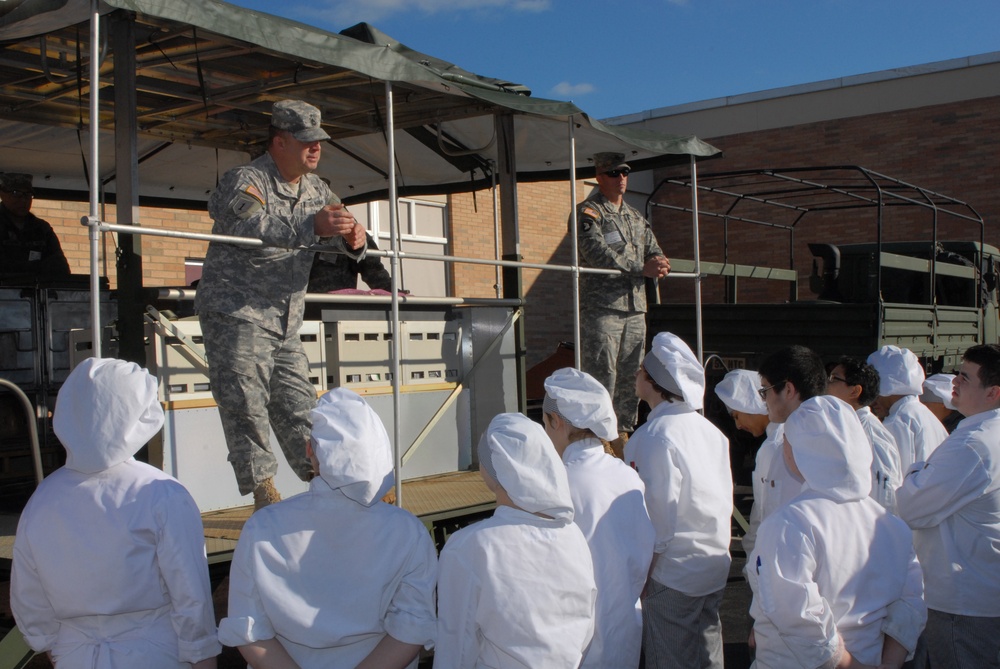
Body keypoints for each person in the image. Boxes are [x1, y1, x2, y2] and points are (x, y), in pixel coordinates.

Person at [195, 99, 366, 509]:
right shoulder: (246, 180)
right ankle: (264, 492)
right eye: (305, 141)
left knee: (300, 405)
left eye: (319, 141)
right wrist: (313, 226)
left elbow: (338, 229)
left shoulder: (318, 189)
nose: (315, 149)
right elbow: (251, 226)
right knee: (245, 402)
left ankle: (327, 483)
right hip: (238, 311)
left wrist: (353, 240)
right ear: (279, 142)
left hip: (285, 318)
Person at [11, 357, 220, 668]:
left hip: (76, 653)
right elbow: (190, 591)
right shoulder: (161, 492)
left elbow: (27, 592)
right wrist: (202, 654)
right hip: (153, 651)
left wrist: (50, 644)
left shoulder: (44, 497)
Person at [219, 388, 437, 668]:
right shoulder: (408, 532)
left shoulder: (262, 527)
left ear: (310, 449)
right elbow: (412, 627)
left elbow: (248, 630)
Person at [748, 395, 925, 669]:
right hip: (874, 657)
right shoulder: (891, 524)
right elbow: (911, 603)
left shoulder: (789, 522)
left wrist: (848, 665)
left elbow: (797, 615)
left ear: (800, 451)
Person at [434, 413, 597, 668]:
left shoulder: (469, 546)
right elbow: (586, 625)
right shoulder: (573, 535)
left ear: (494, 467)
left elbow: (455, 645)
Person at [624, 332, 732, 669]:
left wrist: (643, 577)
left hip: (672, 574)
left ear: (654, 383)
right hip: (712, 566)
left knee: (670, 658)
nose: (637, 376)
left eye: (642, 371)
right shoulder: (709, 431)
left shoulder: (655, 436)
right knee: (708, 652)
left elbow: (659, 518)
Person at [542, 367, 655, 669]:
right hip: (625, 627)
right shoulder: (627, 476)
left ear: (556, 421)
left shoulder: (557, 485)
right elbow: (646, 552)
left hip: (576, 640)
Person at [896, 344, 1000, 668]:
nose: (954, 382)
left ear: (993, 392)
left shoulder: (973, 444)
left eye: (965, 378)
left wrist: (916, 470)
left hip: (963, 603)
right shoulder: (984, 435)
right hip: (980, 591)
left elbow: (910, 507)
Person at [577, 152, 670, 454]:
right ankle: (599, 435)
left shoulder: (635, 217)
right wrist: (639, 267)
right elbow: (595, 252)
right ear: (600, 177)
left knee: (633, 375)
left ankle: (623, 433)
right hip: (603, 308)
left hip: (635, 308)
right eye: (614, 173)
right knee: (602, 372)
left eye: (625, 172)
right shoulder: (589, 212)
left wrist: (658, 261)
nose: (621, 179)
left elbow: (652, 248)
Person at [714, 367, 780, 556]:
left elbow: (764, 513)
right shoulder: (776, 439)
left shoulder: (776, 445)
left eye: (737, 415)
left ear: (750, 404)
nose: (738, 425)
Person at [825, 356, 903, 513]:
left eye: (834, 378)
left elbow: (884, 494)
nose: (826, 383)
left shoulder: (871, 433)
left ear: (854, 390)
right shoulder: (848, 425)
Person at [867, 345, 948, 472]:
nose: (873, 401)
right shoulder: (925, 413)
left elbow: (896, 478)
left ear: (887, 387)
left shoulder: (897, 422)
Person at [0, 172, 70, 278]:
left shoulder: (42, 228)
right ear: (2, 194)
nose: (23, 200)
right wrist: (37, 267)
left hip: (39, 292)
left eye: (28, 194)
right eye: (16, 193)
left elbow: (60, 268)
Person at [308, 230, 393, 292]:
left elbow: (374, 272)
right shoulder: (298, 229)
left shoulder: (351, 231)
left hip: (336, 309)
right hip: (299, 305)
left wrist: (395, 293)